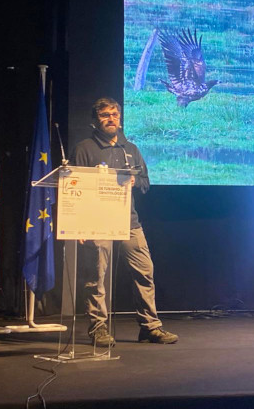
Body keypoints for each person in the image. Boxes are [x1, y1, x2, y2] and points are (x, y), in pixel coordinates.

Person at [72, 97, 178, 345]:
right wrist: (78, 224)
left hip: (129, 222)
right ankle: (98, 328)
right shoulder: (84, 149)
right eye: (105, 115)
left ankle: (150, 327)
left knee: (145, 272)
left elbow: (145, 183)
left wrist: (133, 182)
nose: (111, 119)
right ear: (95, 120)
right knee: (96, 276)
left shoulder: (130, 148)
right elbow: (74, 188)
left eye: (115, 115)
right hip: (97, 222)